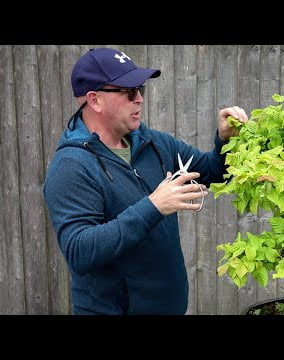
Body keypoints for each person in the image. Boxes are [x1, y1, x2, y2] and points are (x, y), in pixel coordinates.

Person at [43, 47, 248, 315]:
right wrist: (153, 207)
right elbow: (79, 250)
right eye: (129, 92)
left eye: (141, 89)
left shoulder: (154, 144)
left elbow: (212, 172)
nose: (139, 99)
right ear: (95, 100)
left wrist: (226, 140)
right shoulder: (72, 166)